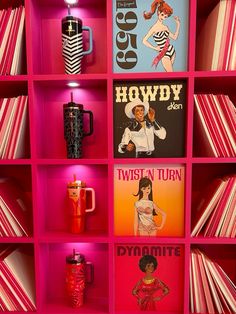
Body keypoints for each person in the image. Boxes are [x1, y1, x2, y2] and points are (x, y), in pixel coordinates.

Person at [142, 0, 180, 72]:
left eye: (165, 16)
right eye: (162, 15)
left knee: (170, 75)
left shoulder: (165, 27)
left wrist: (178, 24)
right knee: (171, 75)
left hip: (172, 50)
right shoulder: (153, 28)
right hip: (164, 54)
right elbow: (144, 40)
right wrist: (154, 48)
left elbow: (174, 37)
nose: (163, 17)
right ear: (158, 13)